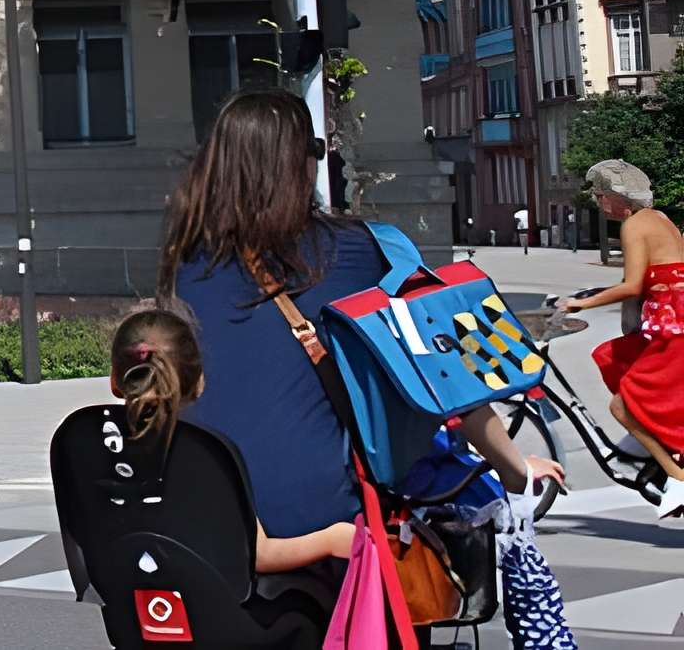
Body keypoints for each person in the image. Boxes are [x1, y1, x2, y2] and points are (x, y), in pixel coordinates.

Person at [161, 91, 558, 545]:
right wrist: (516, 470)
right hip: (317, 513)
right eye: (313, 150)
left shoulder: (187, 260)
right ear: (297, 163)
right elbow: (447, 371)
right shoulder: (358, 248)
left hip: (202, 507)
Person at [109, 308, 357, 571]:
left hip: (131, 599)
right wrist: (332, 539)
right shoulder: (205, 453)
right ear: (199, 380)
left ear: (115, 380)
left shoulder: (95, 446)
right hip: (208, 605)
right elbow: (260, 555)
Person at [556, 158, 684, 513]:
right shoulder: (659, 219)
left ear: (618, 197)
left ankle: (678, 477)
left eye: (600, 195)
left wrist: (584, 304)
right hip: (671, 320)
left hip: (672, 327)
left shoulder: (634, 226)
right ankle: (652, 444)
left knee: (621, 405)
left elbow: (631, 285)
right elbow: (655, 277)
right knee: (611, 357)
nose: (598, 202)